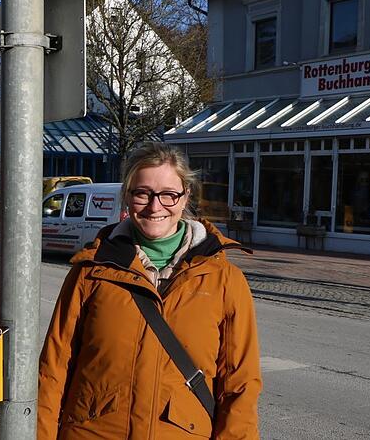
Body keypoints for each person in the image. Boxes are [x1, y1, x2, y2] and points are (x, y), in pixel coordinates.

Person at [37, 141, 261, 439]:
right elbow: (53, 370)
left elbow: (240, 385)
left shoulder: (223, 280)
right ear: (127, 197)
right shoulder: (91, 272)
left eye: (168, 195)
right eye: (143, 193)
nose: (156, 206)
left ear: (185, 197)